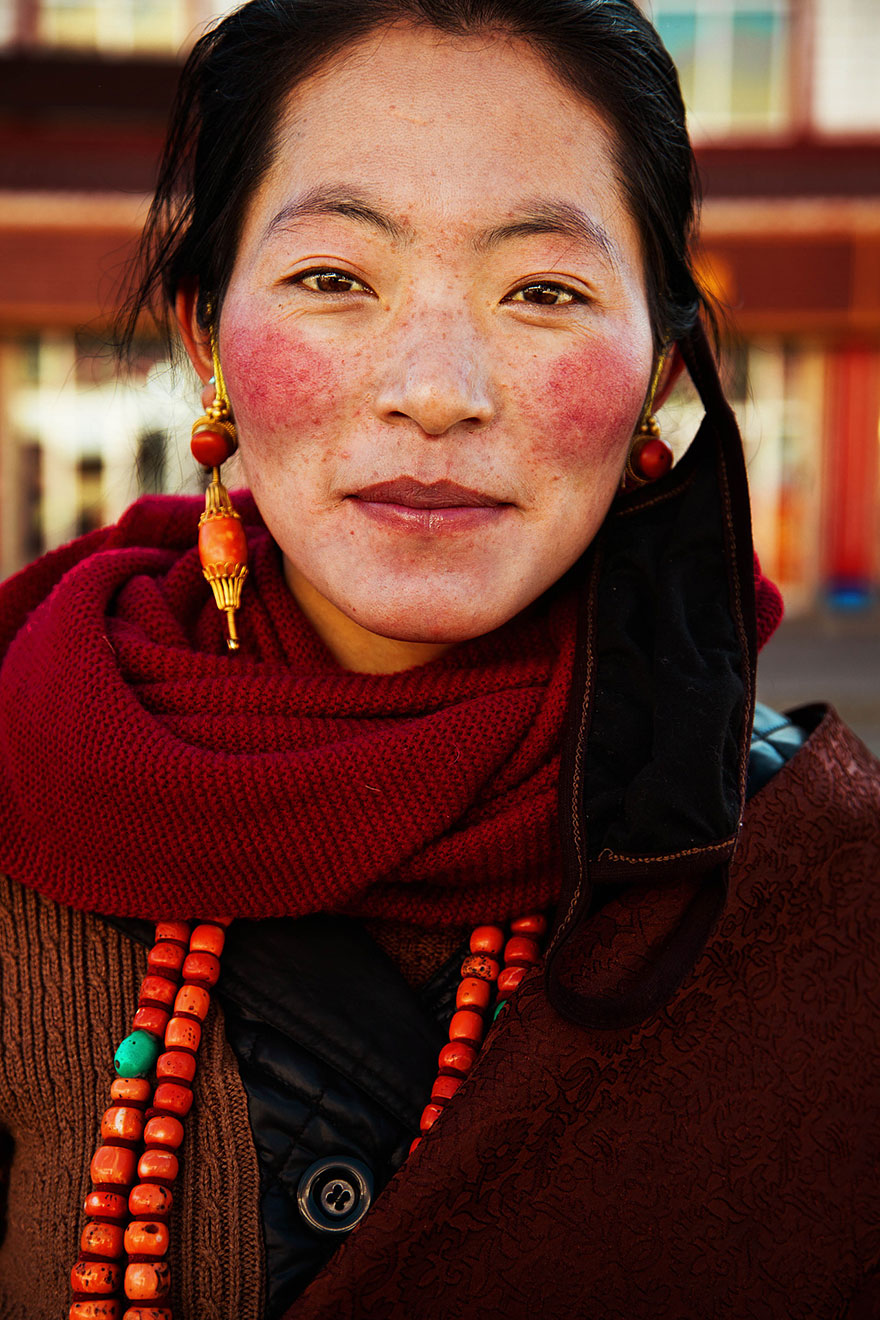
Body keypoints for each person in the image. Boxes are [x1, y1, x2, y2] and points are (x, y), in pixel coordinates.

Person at [1, 1, 878, 1317]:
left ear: (656, 373)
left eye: (543, 291)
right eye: (334, 278)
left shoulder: (819, 883)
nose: (436, 387)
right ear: (205, 335)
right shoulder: (27, 778)